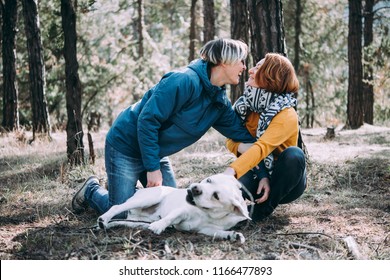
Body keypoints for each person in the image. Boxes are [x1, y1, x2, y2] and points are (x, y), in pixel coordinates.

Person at [72, 38, 256, 218]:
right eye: (241, 61)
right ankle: (91, 190)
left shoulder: (219, 102)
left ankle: (129, 192)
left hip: (154, 150)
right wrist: (152, 169)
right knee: (121, 214)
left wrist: (263, 173)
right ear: (224, 61)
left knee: (171, 208)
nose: (244, 67)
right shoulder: (183, 80)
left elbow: (242, 136)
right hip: (126, 145)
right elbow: (147, 121)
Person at [223, 53, 307, 222]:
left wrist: (231, 171)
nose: (251, 70)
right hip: (256, 171)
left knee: (294, 155)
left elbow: (262, 147)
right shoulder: (245, 105)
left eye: (258, 67)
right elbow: (231, 139)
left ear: (271, 76)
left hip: (284, 178)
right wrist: (242, 149)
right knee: (225, 195)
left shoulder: (286, 113)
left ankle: (261, 210)